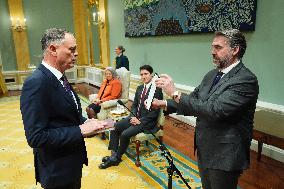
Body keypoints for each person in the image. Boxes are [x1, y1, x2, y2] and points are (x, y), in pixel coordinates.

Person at [152, 29, 259, 189]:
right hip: (205, 147)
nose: (212, 52)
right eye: (212, 47)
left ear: (235, 50)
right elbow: (195, 100)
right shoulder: (211, 75)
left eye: (218, 47)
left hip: (225, 154)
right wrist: (165, 103)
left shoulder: (245, 79)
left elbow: (214, 110)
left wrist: (174, 93)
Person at [20, 28, 106, 189]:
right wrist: (80, 130)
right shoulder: (37, 83)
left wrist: (90, 124)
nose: (77, 53)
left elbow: (67, 116)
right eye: (72, 49)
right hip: (56, 171)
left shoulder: (59, 76)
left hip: (71, 164)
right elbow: (36, 137)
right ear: (53, 49)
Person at [98, 65, 163, 169]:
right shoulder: (139, 88)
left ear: (151, 75)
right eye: (141, 74)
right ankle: (113, 155)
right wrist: (132, 116)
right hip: (134, 117)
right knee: (114, 127)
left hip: (146, 122)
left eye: (146, 74)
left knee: (124, 134)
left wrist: (140, 120)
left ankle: (117, 158)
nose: (143, 76)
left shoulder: (156, 90)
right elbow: (134, 105)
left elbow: (154, 113)